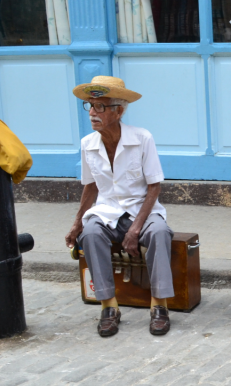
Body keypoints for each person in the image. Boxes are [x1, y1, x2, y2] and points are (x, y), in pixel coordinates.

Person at [64, 76, 174, 338]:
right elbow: (90, 187)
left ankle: (159, 306)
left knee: (159, 232)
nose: (92, 113)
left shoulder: (142, 138)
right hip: (106, 210)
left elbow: (154, 187)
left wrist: (135, 229)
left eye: (100, 107)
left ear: (119, 111)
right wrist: (77, 222)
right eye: (90, 106)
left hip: (142, 210)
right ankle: (108, 307)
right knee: (89, 234)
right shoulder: (87, 144)